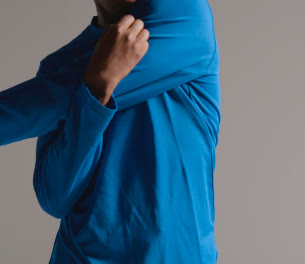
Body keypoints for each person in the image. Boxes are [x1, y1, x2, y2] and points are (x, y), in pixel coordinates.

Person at [0, 0, 220, 263]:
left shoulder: (184, 15)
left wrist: (97, 83)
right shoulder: (58, 65)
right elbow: (54, 198)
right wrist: (96, 89)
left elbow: (51, 100)